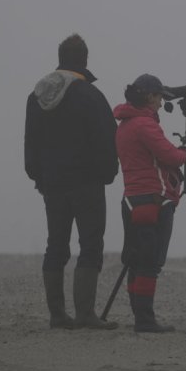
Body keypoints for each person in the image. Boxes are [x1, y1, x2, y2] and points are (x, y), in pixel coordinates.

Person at [24, 34, 119, 330]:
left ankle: (57, 315)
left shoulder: (36, 96)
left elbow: (31, 142)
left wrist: (38, 176)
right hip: (87, 183)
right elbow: (106, 141)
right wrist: (107, 174)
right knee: (90, 244)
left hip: (52, 184)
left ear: (61, 56)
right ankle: (85, 314)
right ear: (85, 59)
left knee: (56, 245)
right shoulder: (90, 95)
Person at [113, 74, 186, 332]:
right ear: (149, 97)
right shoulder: (144, 125)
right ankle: (145, 320)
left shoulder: (125, 124)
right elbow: (170, 155)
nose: (160, 103)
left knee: (137, 260)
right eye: (158, 97)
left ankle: (140, 314)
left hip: (132, 200)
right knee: (150, 262)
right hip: (153, 200)